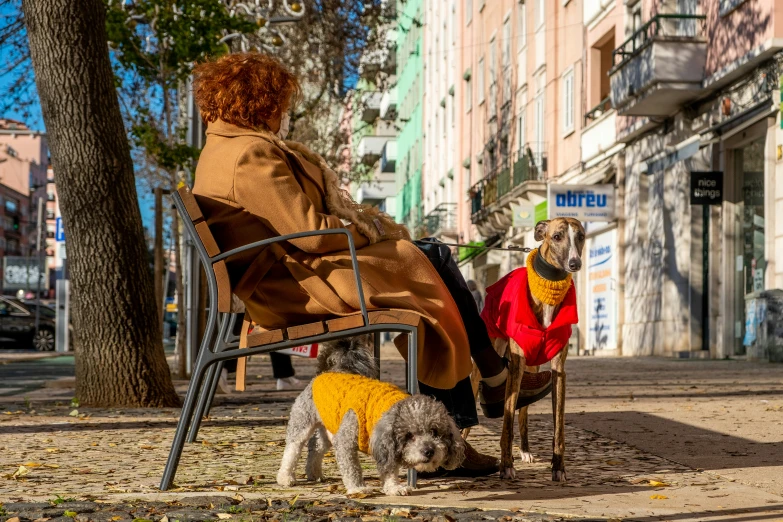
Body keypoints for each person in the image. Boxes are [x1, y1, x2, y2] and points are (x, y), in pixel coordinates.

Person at [191, 53, 552, 476]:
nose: (285, 112)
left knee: (430, 257)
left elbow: (296, 229)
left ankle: (488, 382)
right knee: (429, 260)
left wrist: (361, 233)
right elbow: (308, 231)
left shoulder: (229, 148)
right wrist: (367, 230)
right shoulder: (248, 155)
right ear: (261, 102)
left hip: (292, 274)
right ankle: (488, 382)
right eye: (282, 102)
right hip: (294, 285)